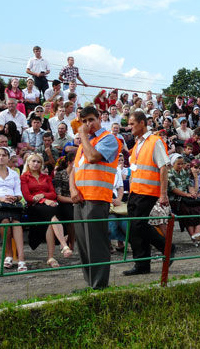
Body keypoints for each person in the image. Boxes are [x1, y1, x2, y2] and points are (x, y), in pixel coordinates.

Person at [69, 106, 121, 289]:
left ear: (99, 118)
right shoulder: (86, 142)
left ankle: (99, 286)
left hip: (97, 198)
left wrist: (82, 135)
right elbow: (74, 170)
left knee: (96, 244)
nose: (87, 125)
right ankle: (90, 283)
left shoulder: (108, 139)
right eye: (83, 122)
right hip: (81, 199)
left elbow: (92, 157)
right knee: (83, 244)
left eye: (91, 120)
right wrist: (72, 190)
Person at [123, 111, 172, 276]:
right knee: (135, 227)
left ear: (142, 123)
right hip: (136, 191)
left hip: (148, 191)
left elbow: (163, 167)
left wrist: (163, 194)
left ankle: (167, 247)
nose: (129, 127)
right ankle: (142, 265)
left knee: (138, 224)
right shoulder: (138, 144)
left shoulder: (155, 141)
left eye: (132, 124)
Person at [20, 153, 73, 268]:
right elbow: (28, 197)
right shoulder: (24, 177)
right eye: (33, 161)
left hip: (49, 207)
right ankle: (64, 246)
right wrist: (44, 200)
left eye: (38, 162)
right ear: (28, 163)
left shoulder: (46, 177)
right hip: (34, 208)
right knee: (52, 213)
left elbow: (53, 194)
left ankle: (51, 257)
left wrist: (43, 195)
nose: (36, 164)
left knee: (51, 220)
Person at [0, 147, 26, 271]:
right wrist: (0, 199)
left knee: (16, 223)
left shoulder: (14, 173)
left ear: (8, 158)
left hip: (12, 204)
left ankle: (21, 258)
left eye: (4, 155)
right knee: (5, 221)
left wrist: (14, 197)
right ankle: (8, 255)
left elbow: (19, 193)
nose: (1, 157)